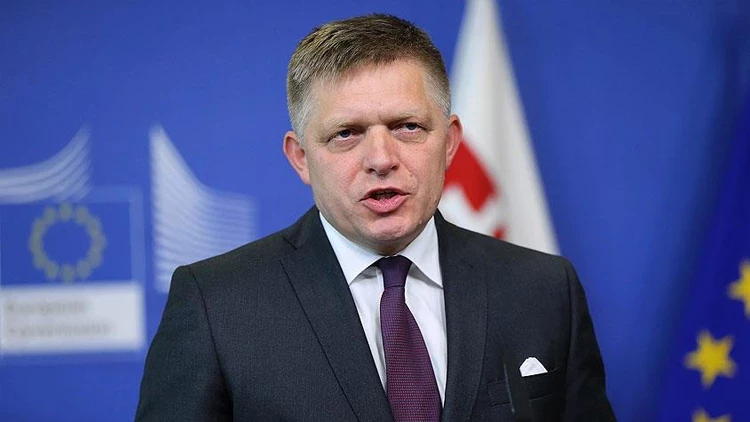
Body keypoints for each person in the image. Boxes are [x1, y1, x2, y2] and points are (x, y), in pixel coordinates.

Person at [136, 14, 615, 421]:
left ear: (450, 142)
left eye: (408, 126)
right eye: (347, 133)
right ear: (301, 158)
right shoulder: (216, 306)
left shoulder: (544, 289)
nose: (382, 158)